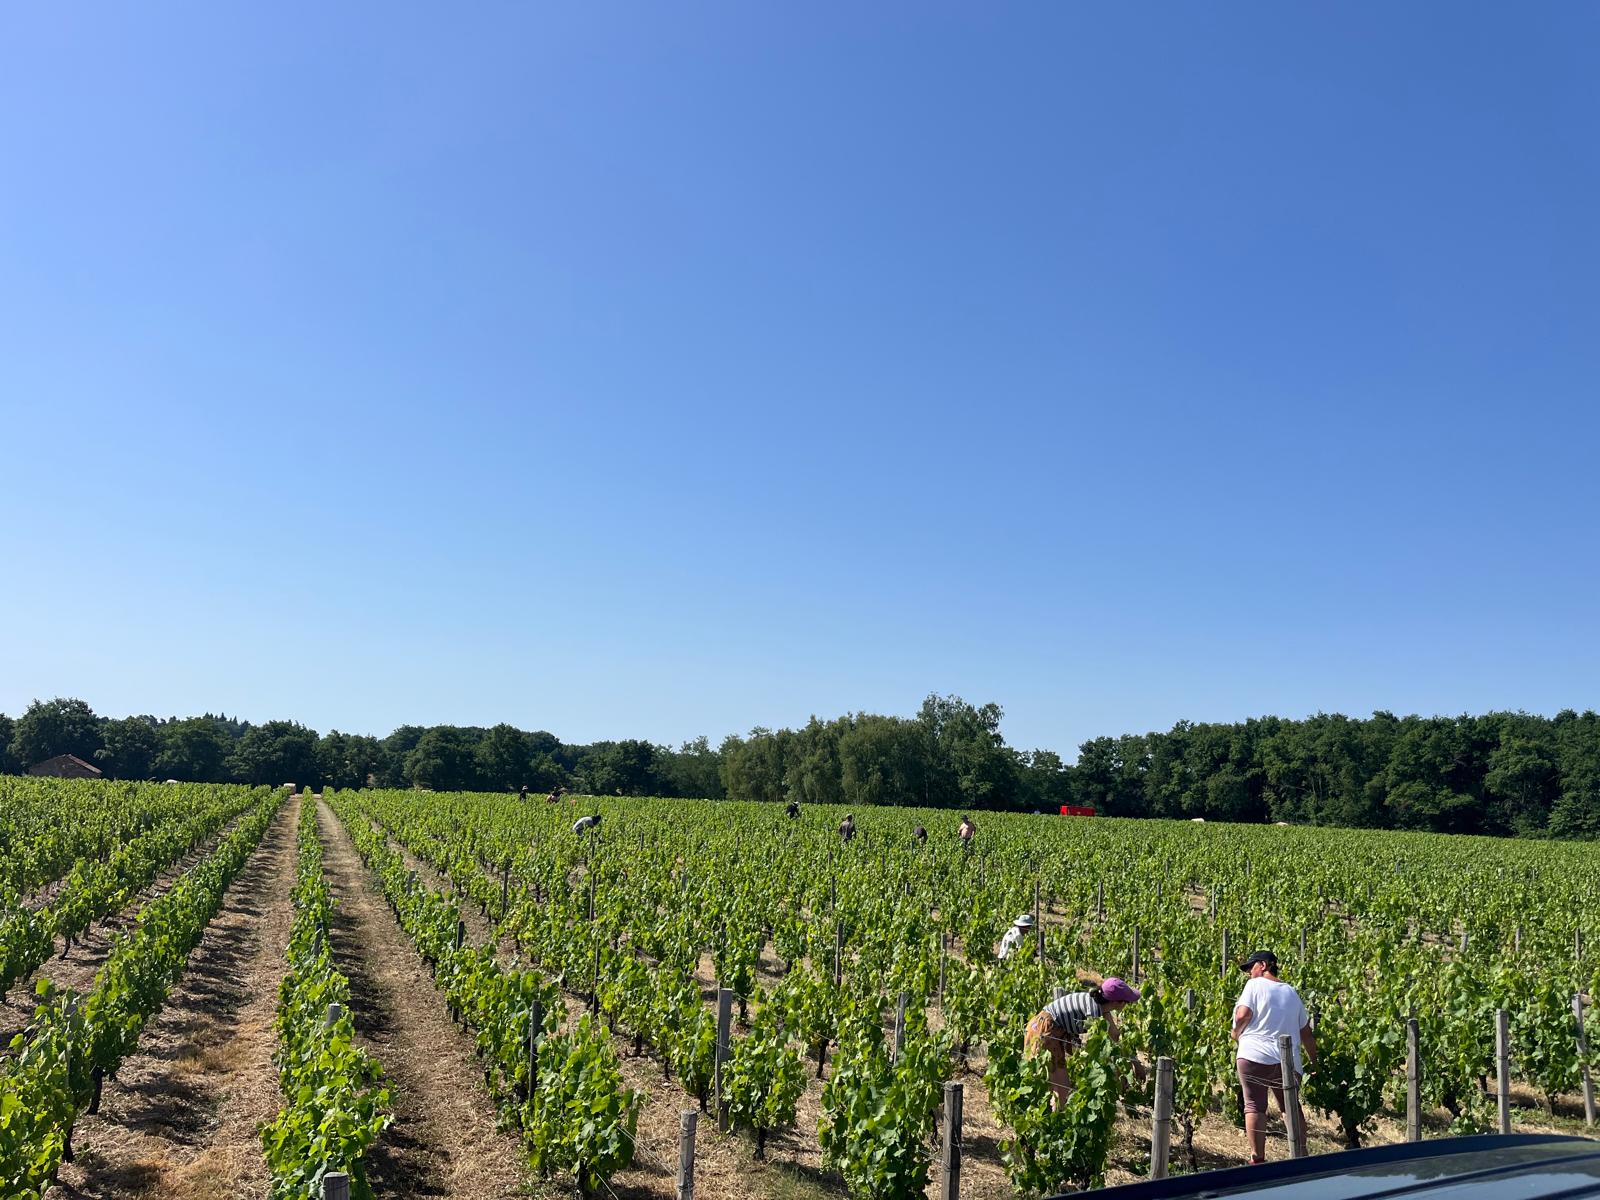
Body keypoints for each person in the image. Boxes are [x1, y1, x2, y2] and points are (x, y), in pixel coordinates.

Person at [1231, 950, 1317, 1163]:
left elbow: (1243, 1014)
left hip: (1253, 1055)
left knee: (1254, 1106)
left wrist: (1235, 1033)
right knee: (1290, 1107)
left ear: (1263, 965)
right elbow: (1306, 1033)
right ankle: (1301, 1156)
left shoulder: (1254, 985)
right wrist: (1314, 1062)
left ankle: (1258, 1160)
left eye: (1251, 967)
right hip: (1287, 1061)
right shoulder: (1291, 992)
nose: (1249, 973)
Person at [1025, 977, 1142, 1109]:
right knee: (1061, 1086)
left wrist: (1135, 1063)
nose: (1127, 1004)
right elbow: (1097, 1047)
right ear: (1117, 1002)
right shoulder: (1094, 1011)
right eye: (1127, 1001)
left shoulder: (1101, 1005)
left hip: (1043, 1027)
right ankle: (1055, 1115)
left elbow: (1114, 1035)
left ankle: (1053, 1112)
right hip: (1044, 1030)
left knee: (1057, 1083)